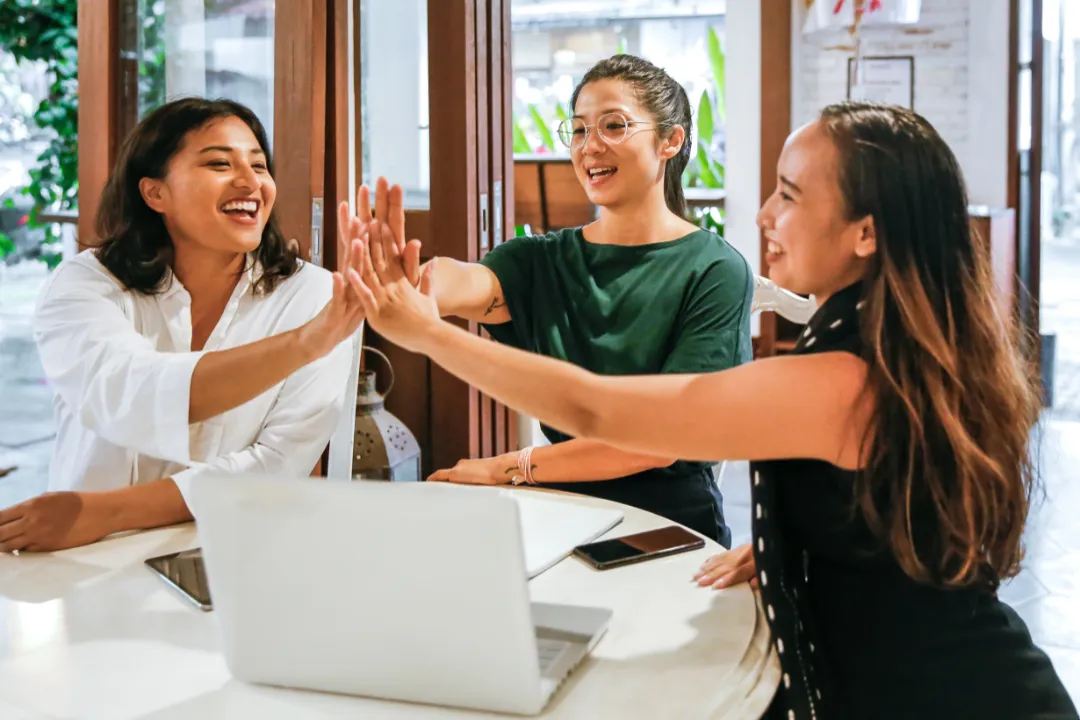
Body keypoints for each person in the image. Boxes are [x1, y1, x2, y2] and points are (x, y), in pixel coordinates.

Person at [343, 102, 1078, 718]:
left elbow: (599, 407)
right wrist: (808, 545)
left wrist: (428, 337)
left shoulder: (845, 377)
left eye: (790, 196)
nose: (763, 214)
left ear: (866, 232)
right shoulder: (898, 344)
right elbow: (894, 507)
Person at [356, 54, 753, 547]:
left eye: (614, 125)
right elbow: (469, 283)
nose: (591, 147)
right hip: (563, 514)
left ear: (670, 140)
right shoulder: (542, 259)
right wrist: (414, 285)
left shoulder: (715, 269)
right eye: (581, 130)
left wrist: (507, 467)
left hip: (671, 529)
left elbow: (655, 442)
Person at [0, 98, 366, 553]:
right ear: (155, 193)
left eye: (259, 165)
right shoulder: (85, 284)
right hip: (81, 559)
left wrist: (108, 512)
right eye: (218, 163)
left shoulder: (314, 295)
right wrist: (304, 344)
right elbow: (131, 393)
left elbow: (278, 463)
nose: (251, 181)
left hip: (236, 555)